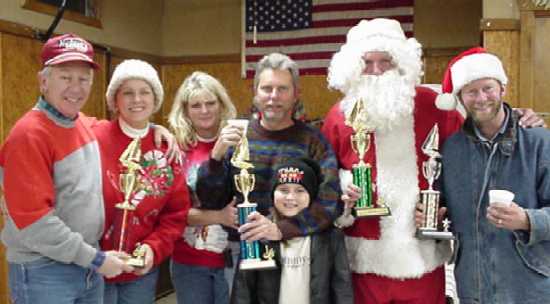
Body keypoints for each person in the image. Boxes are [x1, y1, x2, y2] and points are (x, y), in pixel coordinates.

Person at [323, 18, 545, 304]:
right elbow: (324, 180)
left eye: (386, 61)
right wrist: (343, 193)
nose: (376, 71)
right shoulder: (338, 116)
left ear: (401, 63)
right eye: (368, 62)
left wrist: (518, 118)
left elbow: (480, 140)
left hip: (423, 256)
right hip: (363, 261)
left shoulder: (435, 106)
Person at [0, 33, 132, 304]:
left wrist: (154, 130)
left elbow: (121, 129)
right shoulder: (28, 135)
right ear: (43, 81)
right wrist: (96, 259)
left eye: (83, 78)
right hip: (44, 272)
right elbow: (35, 223)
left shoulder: (80, 123)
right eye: (65, 76)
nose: (76, 87)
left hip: (85, 265)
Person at [420, 47, 550, 304]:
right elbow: (442, 208)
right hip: (472, 288)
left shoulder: (539, 142)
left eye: (488, 88)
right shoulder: (452, 149)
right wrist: (429, 215)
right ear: (460, 97)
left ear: (502, 88)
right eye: (471, 91)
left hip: (531, 287)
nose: (481, 98)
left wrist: (527, 219)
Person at [195, 53, 341, 271]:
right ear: (255, 94)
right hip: (243, 253)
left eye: (282, 89)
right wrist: (215, 158)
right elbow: (210, 200)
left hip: (299, 250)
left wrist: (282, 228)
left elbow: (331, 202)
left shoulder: (314, 141)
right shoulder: (237, 138)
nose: (274, 96)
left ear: (296, 95)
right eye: (267, 89)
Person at [95, 59, 189, 304]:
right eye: (128, 92)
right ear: (115, 100)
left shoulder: (167, 150)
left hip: (139, 275)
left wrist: (153, 248)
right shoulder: (93, 136)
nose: (137, 99)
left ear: (155, 99)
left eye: (144, 92)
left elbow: (175, 216)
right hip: (94, 269)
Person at [231, 158, 353, 304]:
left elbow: (342, 286)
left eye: (300, 191)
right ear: (273, 194)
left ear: (311, 196)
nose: (290, 197)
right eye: (283, 190)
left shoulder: (330, 234)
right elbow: (242, 290)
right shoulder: (258, 231)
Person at [168, 71, 238, 304]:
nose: (205, 110)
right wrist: (219, 216)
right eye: (196, 105)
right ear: (185, 110)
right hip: (189, 261)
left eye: (210, 103)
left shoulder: (239, 143)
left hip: (235, 257)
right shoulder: (174, 149)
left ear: (221, 104)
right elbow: (172, 214)